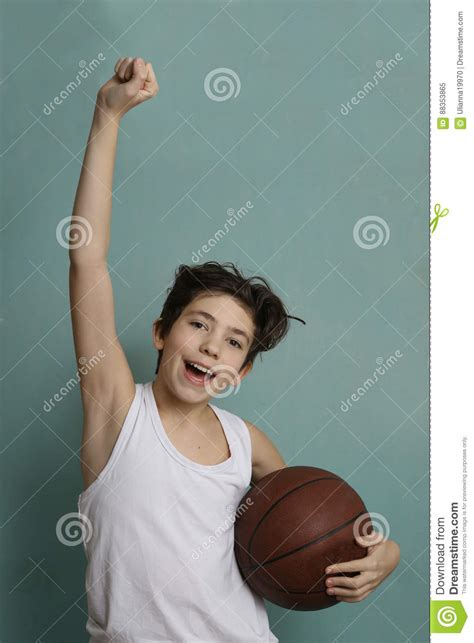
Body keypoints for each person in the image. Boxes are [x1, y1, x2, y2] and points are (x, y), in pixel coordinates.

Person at [69, 56, 401, 642]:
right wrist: (107, 116)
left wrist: (386, 551)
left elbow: (322, 520)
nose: (210, 347)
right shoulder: (116, 407)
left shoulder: (246, 443)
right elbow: (86, 257)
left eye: (233, 342)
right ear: (160, 333)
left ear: (240, 370)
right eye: (197, 325)